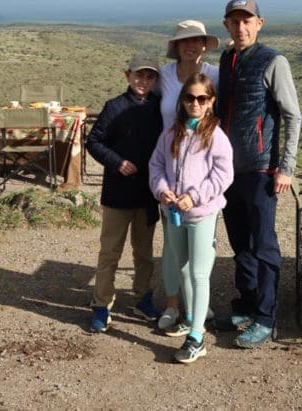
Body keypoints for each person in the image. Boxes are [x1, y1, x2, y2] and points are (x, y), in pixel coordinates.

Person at [215, 0, 302, 348]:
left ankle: (266, 317)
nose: (241, 27)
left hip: (263, 170)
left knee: (264, 245)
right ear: (226, 25)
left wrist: (286, 168)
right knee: (240, 243)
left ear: (259, 23)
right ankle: (246, 305)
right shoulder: (227, 58)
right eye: (234, 21)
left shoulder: (273, 61)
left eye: (247, 20)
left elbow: (292, 115)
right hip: (228, 170)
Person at [149, 74, 233, 363]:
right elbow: (156, 165)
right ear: (182, 100)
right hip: (172, 211)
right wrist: (162, 191)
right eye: (189, 98)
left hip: (201, 214)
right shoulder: (171, 133)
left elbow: (223, 175)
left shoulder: (216, 137)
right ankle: (188, 316)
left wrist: (194, 197)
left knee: (198, 272)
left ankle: (196, 336)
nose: (195, 103)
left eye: (202, 98)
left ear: (211, 102)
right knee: (181, 266)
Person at [85, 55, 164, 333]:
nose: (143, 81)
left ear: (156, 80)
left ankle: (142, 299)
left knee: (144, 254)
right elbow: (93, 141)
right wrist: (117, 162)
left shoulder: (159, 109)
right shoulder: (114, 107)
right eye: (139, 75)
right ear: (127, 75)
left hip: (147, 193)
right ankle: (101, 304)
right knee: (110, 252)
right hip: (118, 193)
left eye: (150, 76)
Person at [155, 20, 221, 331]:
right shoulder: (165, 77)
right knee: (172, 248)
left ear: (205, 44)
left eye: (196, 40)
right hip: (169, 171)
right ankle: (173, 306)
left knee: (199, 256)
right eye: (184, 41)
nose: (191, 45)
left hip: (201, 177)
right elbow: (141, 92)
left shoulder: (215, 74)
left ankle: (196, 311)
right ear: (176, 46)